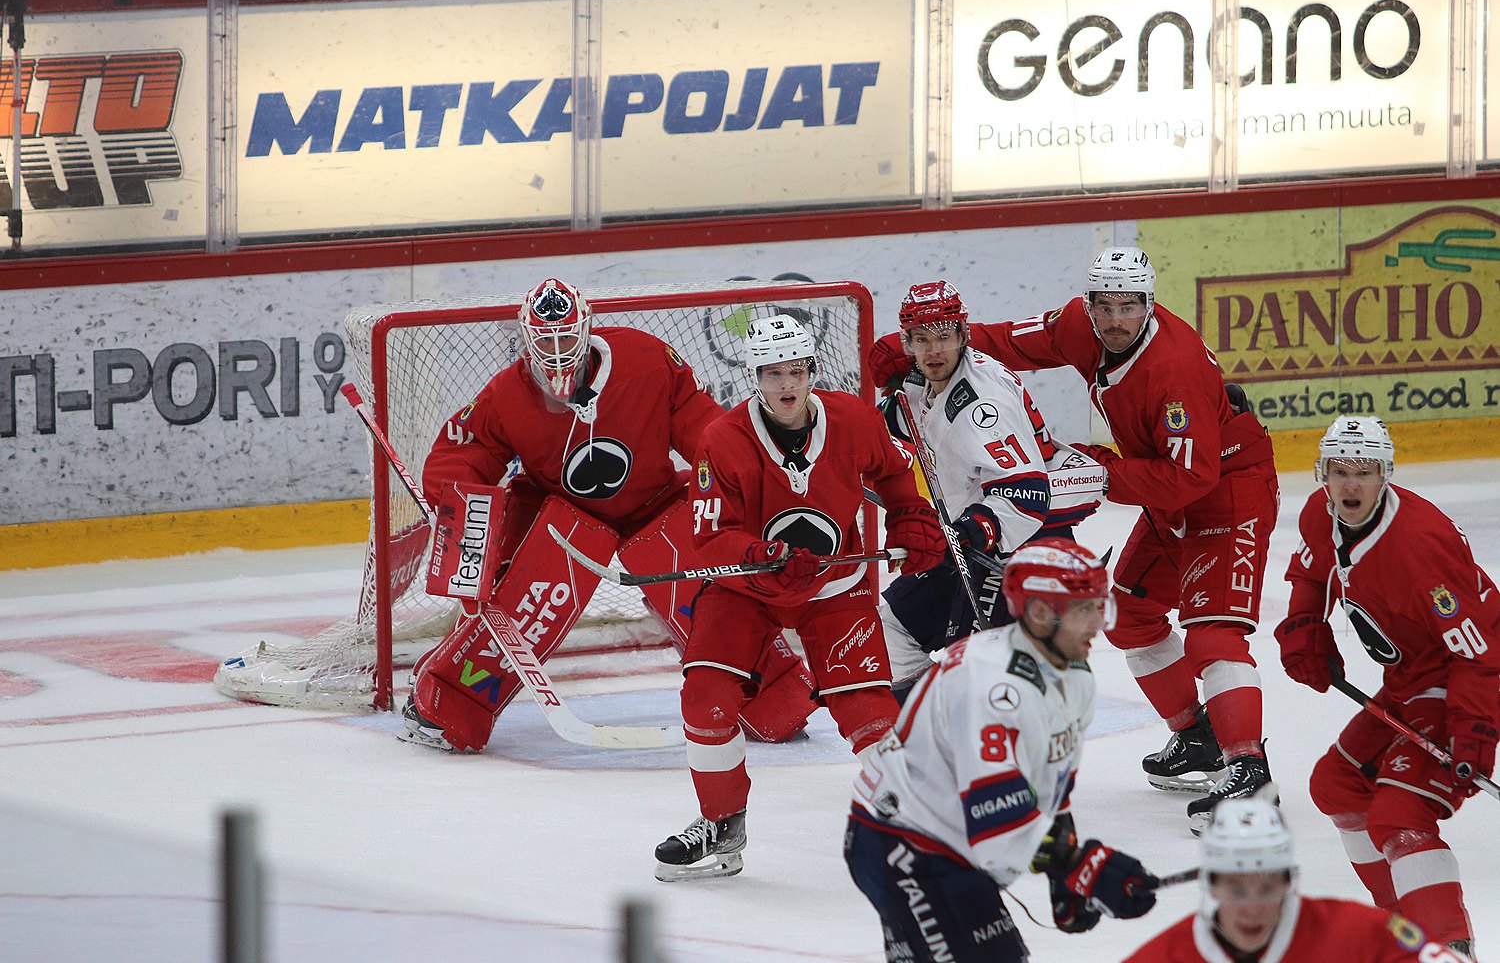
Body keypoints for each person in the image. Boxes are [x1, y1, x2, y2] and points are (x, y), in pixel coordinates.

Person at [868, 246, 1280, 829]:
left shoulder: (1174, 366)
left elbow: (1191, 476)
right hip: (1165, 491)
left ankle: (1248, 770)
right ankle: (1198, 736)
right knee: (1133, 617)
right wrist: (918, 342)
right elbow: (1007, 341)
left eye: (1129, 306)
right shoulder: (1079, 327)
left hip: (1226, 492)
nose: (1115, 320)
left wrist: (1101, 473)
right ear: (1088, 305)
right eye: (1103, 306)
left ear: (1149, 303)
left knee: (1213, 632)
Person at [406, 278, 819, 753]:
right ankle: (447, 702)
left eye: (565, 337)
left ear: (585, 331)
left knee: (712, 598)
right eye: (545, 340)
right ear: (525, 339)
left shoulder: (645, 359)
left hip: (656, 504)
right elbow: (466, 451)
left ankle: (774, 698)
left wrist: (746, 478)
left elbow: (702, 427)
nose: (556, 351)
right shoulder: (506, 395)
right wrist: (457, 507)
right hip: (561, 517)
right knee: (523, 605)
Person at [653, 313, 947, 882]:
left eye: (796, 371)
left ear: (812, 372)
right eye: (772, 374)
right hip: (747, 591)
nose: (786, 386)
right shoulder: (722, 440)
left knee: (866, 707)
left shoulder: (855, 420)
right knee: (707, 697)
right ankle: (720, 823)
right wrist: (762, 555)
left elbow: (894, 475)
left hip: (835, 586)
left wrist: (911, 518)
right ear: (754, 379)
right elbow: (710, 536)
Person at [844, 538, 1159, 962]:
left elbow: (1051, 782)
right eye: (1086, 609)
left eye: (1100, 606)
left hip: (947, 841)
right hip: (904, 845)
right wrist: (1080, 865)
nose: (1098, 624)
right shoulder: (993, 687)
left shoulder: (1072, 675)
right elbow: (995, 817)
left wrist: (1064, 871)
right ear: (1041, 613)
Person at [1274, 414, 1499, 954]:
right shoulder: (1319, 513)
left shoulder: (1421, 546)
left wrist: (1475, 735)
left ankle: (1447, 948)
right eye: (1340, 470)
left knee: (1401, 812)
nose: (1351, 484)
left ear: (1387, 475)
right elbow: (1311, 571)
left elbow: (1480, 654)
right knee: (1337, 786)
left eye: (1366, 471)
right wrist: (1307, 624)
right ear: (1322, 474)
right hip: (1410, 678)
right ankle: (1404, 927)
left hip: (1468, 675)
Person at [877, 280, 1105, 700]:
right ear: (907, 342)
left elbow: (1025, 493)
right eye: (921, 339)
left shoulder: (981, 404)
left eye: (945, 336)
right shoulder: (924, 378)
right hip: (978, 536)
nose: (934, 351)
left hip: (1025, 542)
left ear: (964, 334)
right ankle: (938, 733)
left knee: (1004, 683)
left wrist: (961, 534)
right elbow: (906, 414)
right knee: (887, 628)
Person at [1124, 794, 1475, 962]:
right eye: (1237, 890)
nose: (1252, 908)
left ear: (1288, 883)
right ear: (1211, 886)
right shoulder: (1166, 956)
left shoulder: (1354, 931)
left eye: (1266, 888)